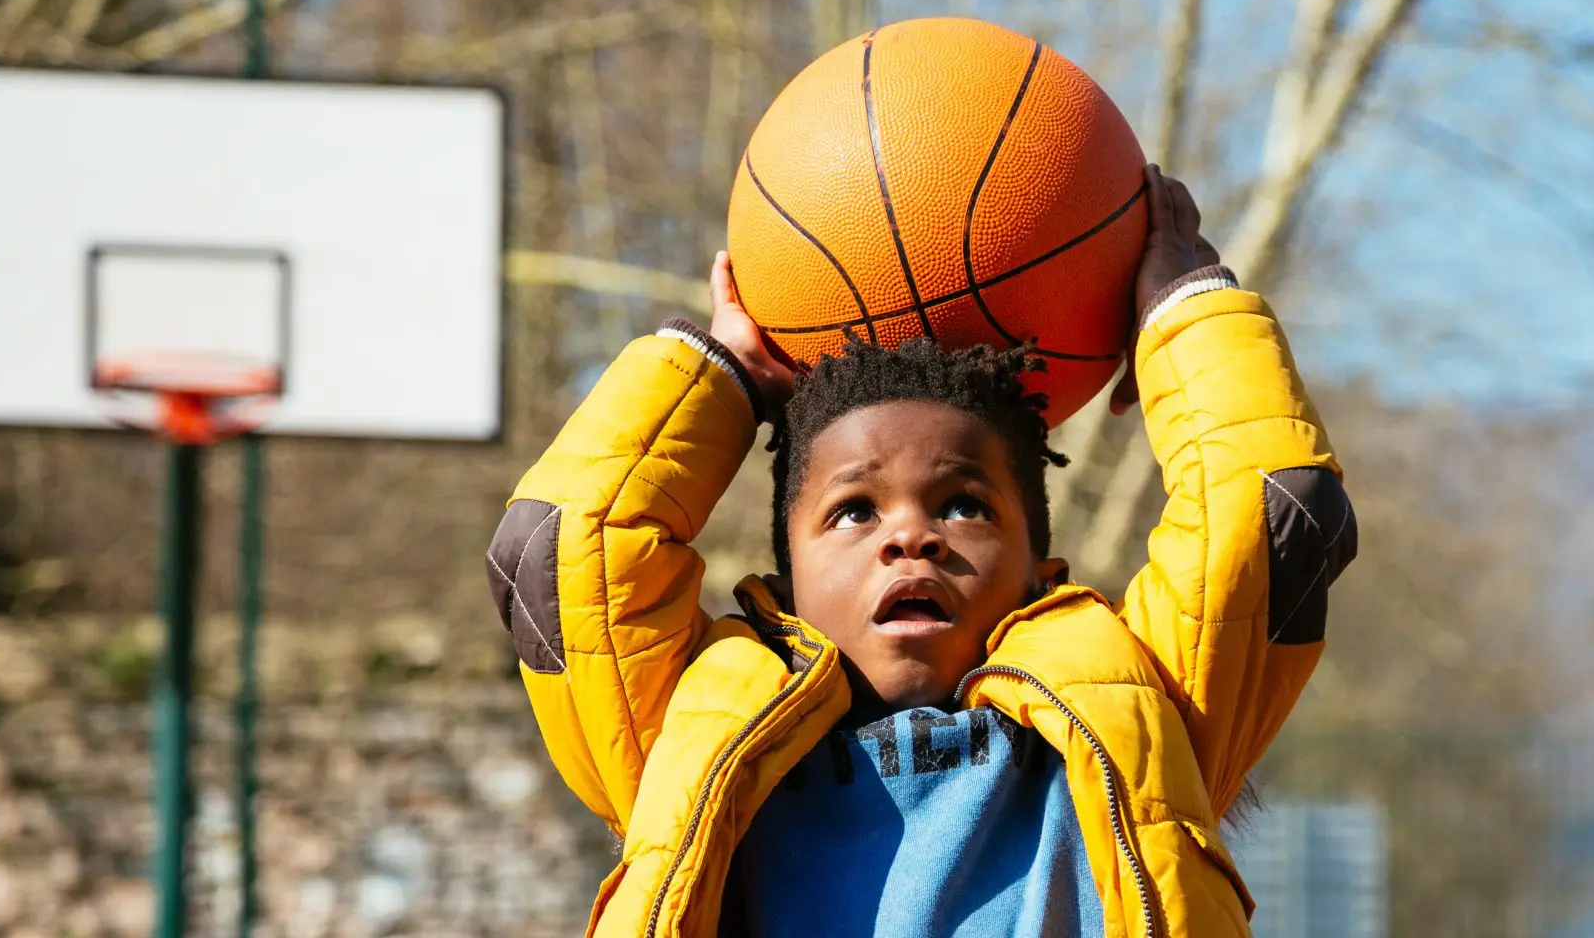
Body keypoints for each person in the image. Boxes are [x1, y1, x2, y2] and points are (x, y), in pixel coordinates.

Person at [484, 167, 1357, 937]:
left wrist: (1181, 309)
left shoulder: (1142, 713)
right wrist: (721, 376)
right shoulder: (692, 730)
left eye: (965, 505)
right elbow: (562, 549)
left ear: (1040, 578)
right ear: (787, 586)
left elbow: (1273, 511)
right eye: (854, 512)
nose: (911, 535)